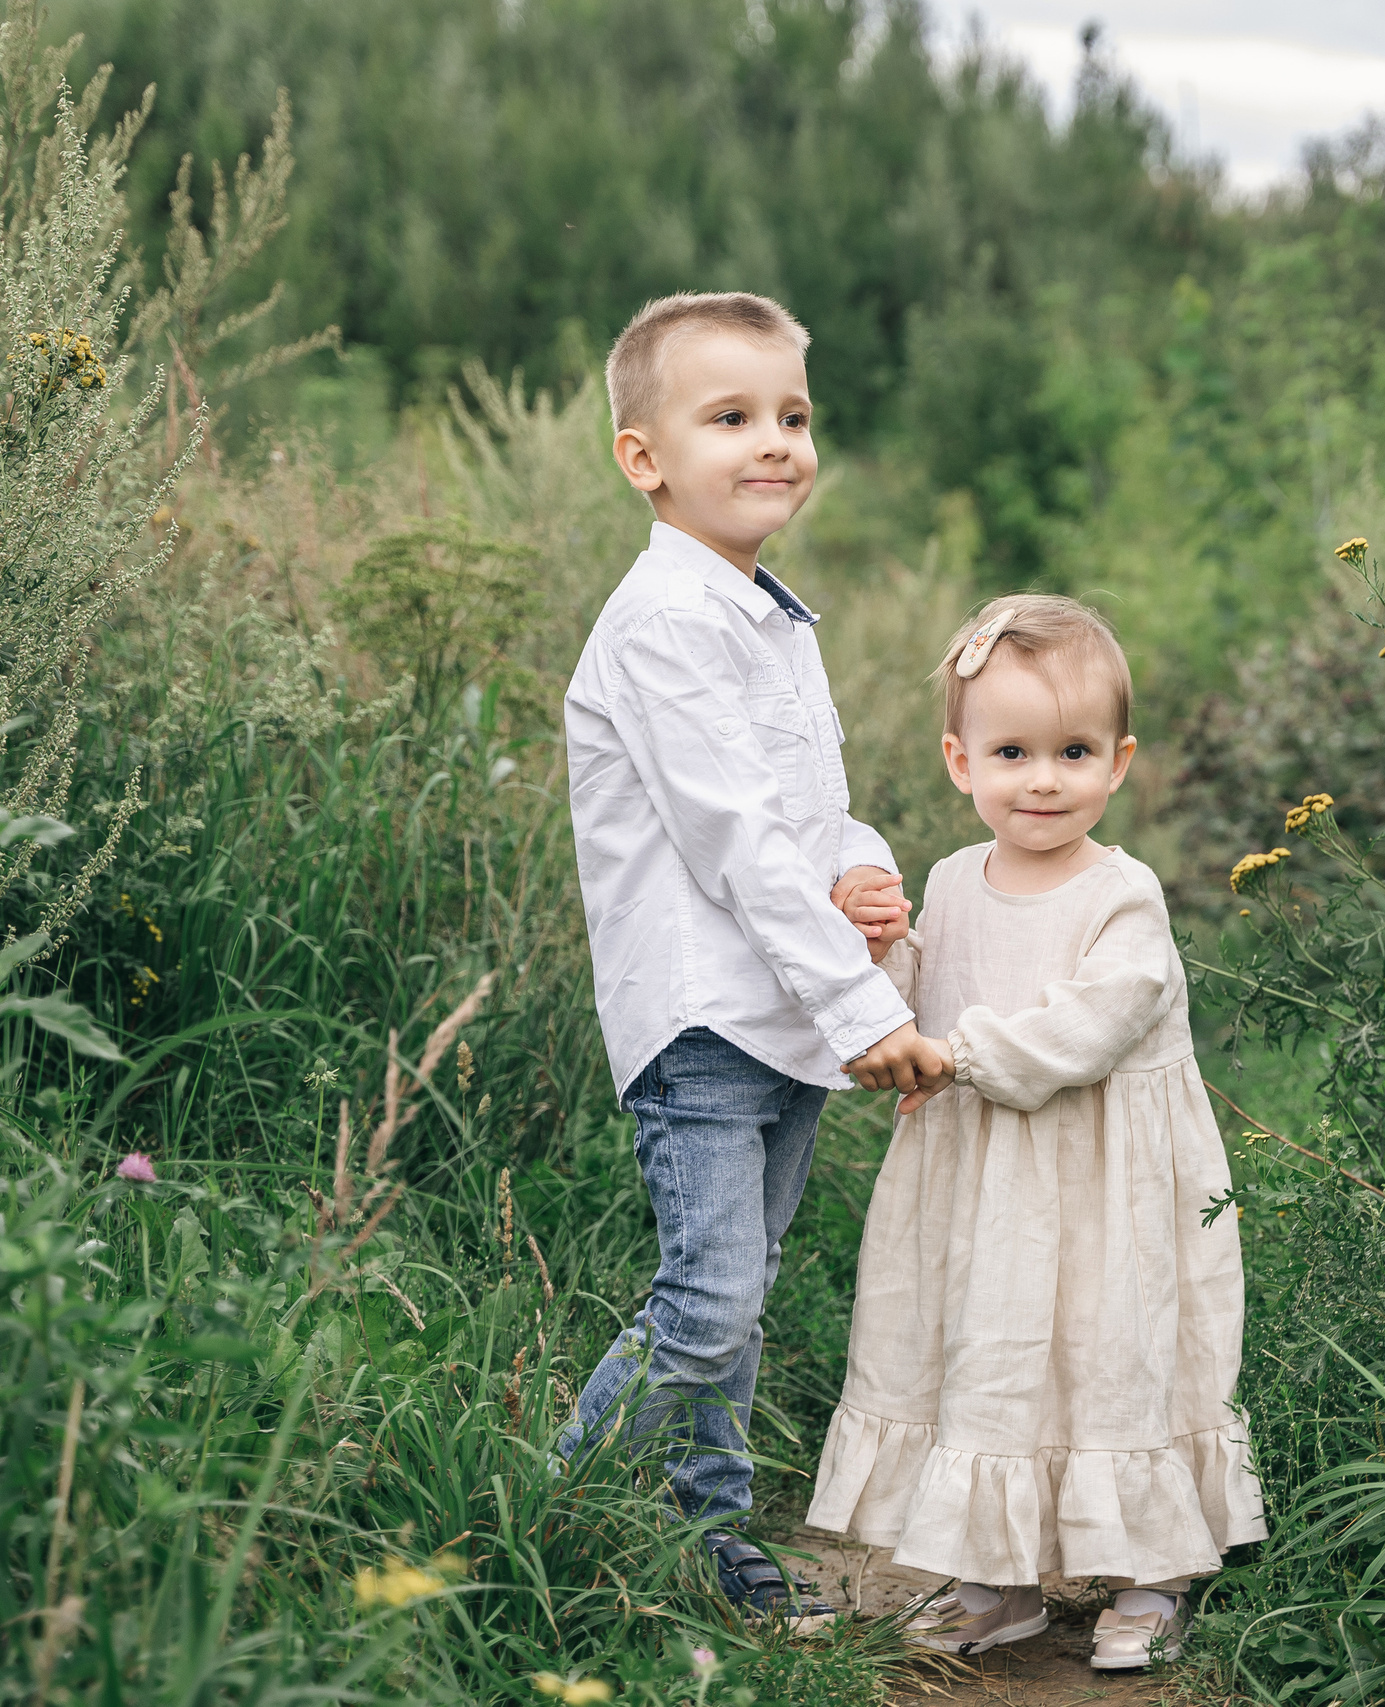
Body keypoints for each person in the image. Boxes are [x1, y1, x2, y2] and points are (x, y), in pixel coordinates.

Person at [558, 290, 952, 1626]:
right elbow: (727, 838)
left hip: (780, 1012)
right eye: (731, 417)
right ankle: (553, 1513)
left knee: (735, 1300)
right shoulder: (664, 621)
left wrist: (864, 866)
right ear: (645, 456)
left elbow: (799, 808)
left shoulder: (767, 614)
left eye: (793, 414)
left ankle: (710, 1554)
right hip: (709, 1018)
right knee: (710, 1297)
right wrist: (863, 1005)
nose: (775, 440)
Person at [808, 594, 1268, 1671]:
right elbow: (921, 1000)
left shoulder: (1124, 896)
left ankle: (1151, 1572)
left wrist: (955, 1055)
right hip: (983, 1183)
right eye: (1012, 751)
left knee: (1116, 1353)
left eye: (1074, 751)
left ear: (1119, 762)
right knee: (990, 1353)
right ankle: (998, 1581)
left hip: (1104, 1179)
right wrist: (879, 956)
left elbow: (1091, 1024)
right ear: (960, 762)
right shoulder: (951, 881)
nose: (1044, 778)